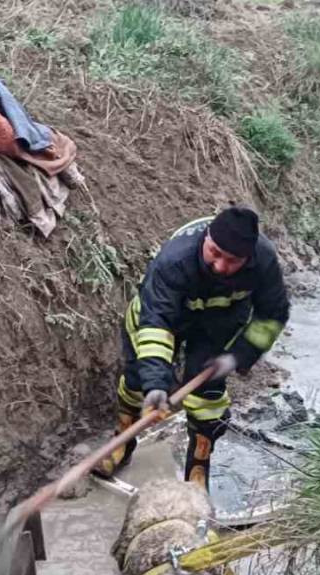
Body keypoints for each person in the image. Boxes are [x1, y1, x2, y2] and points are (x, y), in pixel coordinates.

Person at [91, 206, 290, 490]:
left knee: (207, 396)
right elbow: (156, 322)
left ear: (248, 258)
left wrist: (238, 356)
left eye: (232, 261)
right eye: (215, 253)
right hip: (162, 315)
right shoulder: (175, 260)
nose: (220, 266)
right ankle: (122, 440)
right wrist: (155, 385)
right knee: (138, 380)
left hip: (220, 319)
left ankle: (198, 469)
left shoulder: (264, 261)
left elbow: (272, 315)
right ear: (206, 238)